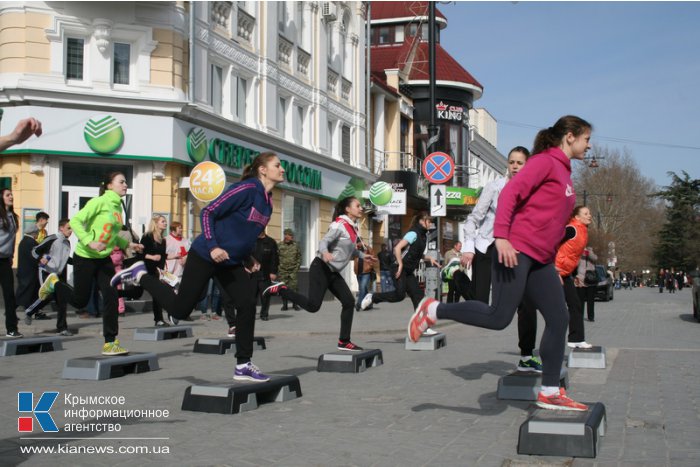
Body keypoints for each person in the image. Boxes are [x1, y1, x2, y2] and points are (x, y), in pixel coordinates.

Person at [408, 115, 593, 411]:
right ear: (570, 136)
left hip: (541, 260)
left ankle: (549, 391)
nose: (589, 145)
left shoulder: (564, 172)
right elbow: (509, 195)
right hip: (516, 250)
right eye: (586, 139)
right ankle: (432, 309)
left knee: (559, 318)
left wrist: (555, 263)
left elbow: (552, 220)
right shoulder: (544, 162)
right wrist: (502, 237)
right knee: (498, 317)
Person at [111, 152, 285, 382]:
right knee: (180, 311)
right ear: (263, 169)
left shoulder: (268, 200)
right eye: (277, 165)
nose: (282, 169)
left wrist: (248, 259)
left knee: (247, 302)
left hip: (229, 261)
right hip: (205, 254)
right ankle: (140, 275)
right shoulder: (247, 189)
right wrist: (213, 246)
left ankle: (243, 364)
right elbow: (208, 212)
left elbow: (244, 234)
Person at [39, 172, 144, 355]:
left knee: (111, 297)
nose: (125, 185)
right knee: (80, 301)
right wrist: (89, 241)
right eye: (122, 182)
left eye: (126, 182)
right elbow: (76, 221)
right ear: (110, 185)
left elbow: (112, 236)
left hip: (103, 259)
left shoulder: (118, 207)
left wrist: (129, 244)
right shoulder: (99, 202)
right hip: (85, 256)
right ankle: (54, 283)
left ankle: (110, 342)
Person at [460, 147, 541, 372]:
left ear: (528, 165)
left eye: (520, 163)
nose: (515, 166)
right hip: (488, 248)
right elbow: (473, 218)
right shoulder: (494, 187)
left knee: (527, 304)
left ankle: (526, 355)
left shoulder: (534, 191)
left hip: (518, 252)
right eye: (512, 162)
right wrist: (468, 248)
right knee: (482, 302)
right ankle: (457, 282)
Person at [264, 196, 375, 351]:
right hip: (321, 267)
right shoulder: (339, 225)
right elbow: (324, 242)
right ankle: (282, 290)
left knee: (349, 302)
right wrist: (325, 253)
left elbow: (350, 250)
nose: (361, 208)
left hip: (333, 271)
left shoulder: (352, 227)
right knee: (313, 306)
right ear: (348, 209)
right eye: (357, 205)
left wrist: (363, 256)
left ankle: (344, 341)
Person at [360, 212, 440, 316]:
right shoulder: (413, 233)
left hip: (408, 271)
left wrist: (429, 258)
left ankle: (421, 324)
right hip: (398, 267)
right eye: (429, 221)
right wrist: (400, 264)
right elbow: (397, 248)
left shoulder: (423, 236)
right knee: (399, 295)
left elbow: (415, 253)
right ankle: (372, 297)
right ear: (421, 221)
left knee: (418, 294)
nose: (430, 224)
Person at [24, 218, 74, 335]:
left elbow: (66, 259)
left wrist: (80, 262)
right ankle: (29, 311)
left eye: (72, 229)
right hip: (46, 272)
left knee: (62, 300)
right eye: (68, 228)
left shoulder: (67, 242)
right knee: (48, 295)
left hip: (58, 275)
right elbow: (34, 251)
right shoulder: (52, 239)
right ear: (61, 228)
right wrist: (40, 258)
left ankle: (62, 328)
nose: (71, 231)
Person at [555, 206, 594, 349]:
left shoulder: (583, 231)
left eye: (589, 213)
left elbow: (573, 255)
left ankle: (576, 339)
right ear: (577, 217)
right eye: (586, 213)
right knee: (554, 309)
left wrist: (574, 274)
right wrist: (552, 267)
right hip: (554, 272)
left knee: (576, 304)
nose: (589, 215)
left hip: (566, 274)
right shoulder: (572, 229)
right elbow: (551, 242)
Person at [140, 215, 169, 326]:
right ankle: (116, 294)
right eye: (163, 221)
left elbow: (162, 256)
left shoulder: (162, 240)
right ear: (156, 223)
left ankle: (159, 319)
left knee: (158, 294)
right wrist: (151, 257)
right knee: (136, 292)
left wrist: (174, 256)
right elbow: (140, 254)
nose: (165, 223)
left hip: (157, 272)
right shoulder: (147, 237)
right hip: (146, 270)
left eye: (165, 221)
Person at [0, 188, 22, 337]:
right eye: (8, 195)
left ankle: (12, 329)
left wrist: (12, 255)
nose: (11, 197)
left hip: (5, 260)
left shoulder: (13, 217)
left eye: (11, 195)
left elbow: (12, 239)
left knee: (9, 294)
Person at [253, 230, 279, 321]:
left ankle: (264, 314)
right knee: (251, 297)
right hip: (252, 274)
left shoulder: (271, 242)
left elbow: (275, 258)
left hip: (265, 274)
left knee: (265, 296)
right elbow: (246, 255)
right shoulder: (251, 240)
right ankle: (250, 314)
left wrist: (273, 272)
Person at [277, 228, 301, 311]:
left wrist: (296, 268)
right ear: (286, 235)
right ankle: (285, 305)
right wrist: (278, 268)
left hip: (293, 271)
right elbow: (275, 258)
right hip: (282, 271)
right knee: (283, 288)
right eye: (290, 235)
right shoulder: (279, 245)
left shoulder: (295, 245)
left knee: (294, 288)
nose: (292, 237)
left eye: (292, 235)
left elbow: (299, 257)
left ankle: (295, 304)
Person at [576, 247, 597, 323]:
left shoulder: (590, 250)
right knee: (580, 300)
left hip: (590, 278)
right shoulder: (578, 251)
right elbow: (576, 264)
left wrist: (589, 253)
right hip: (581, 279)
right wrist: (580, 254)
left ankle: (591, 316)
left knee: (590, 299)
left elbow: (595, 259)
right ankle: (580, 316)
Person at [165, 221, 189, 285]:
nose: (181, 230)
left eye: (181, 228)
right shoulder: (166, 240)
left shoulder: (185, 241)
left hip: (180, 272)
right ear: (173, 230)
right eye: (179, 228)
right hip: (168, 273)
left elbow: (188, 253)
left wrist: (185, 258)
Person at [354, 239, 375, 311]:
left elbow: (372, 254)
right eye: (358, 242)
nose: (359, 244)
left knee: (362, 288)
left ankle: (358, 304)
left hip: (366, 272)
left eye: (360, 242)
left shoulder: (367, 249)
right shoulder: (356, 250)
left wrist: (366, 245)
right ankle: (369, 303)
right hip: (358, 272)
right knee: (363, 289)